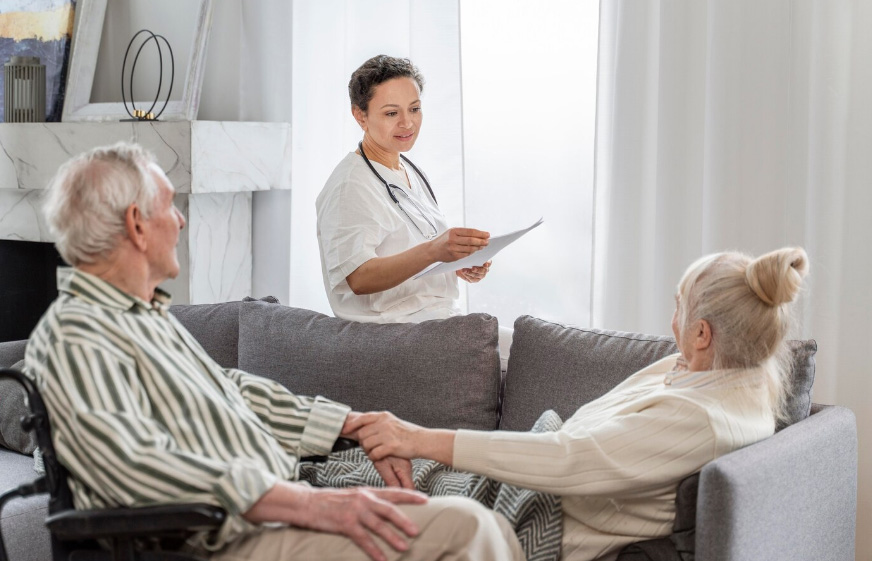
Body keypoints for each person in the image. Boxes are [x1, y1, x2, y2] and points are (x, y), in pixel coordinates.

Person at [25, 142, 524, 561]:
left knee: (494, 526)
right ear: (137, 225)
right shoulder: (77, 334)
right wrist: (312, 506)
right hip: (215, 541)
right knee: (465, 529)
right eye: (170, 206)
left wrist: (352, 425)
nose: (179, 221)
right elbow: (134, 463)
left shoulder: (141, 319)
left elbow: (232, 391)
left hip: (264, 513)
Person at [346, 247, 809, 561]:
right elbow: (582, 433)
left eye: (678, 308)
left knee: (356, 495)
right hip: (539, 483)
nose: (672, 323)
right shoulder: (709, 375)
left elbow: (569, 458)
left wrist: (417, 438)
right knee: (352, 469)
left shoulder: (705, 419)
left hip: (541, 519)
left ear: (703, 333)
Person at [316, 55, 493, 324]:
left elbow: (407, 252)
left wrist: (455, 264)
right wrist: (434, 250)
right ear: (360, 116)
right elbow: (358, 277)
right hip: (397, 333)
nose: (407, 123)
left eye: (414, 109)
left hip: (439, 321)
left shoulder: (406, 169)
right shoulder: (350, 185)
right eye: (391, 113)